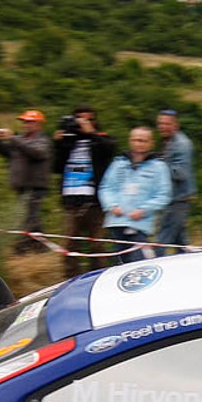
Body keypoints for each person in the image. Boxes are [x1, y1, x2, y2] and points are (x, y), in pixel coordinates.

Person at [52, 105, 116, 279]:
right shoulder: (69, 141)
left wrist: (91, 133)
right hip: (71, 200)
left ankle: (100, 278)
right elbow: (55, 167)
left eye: (88, 119)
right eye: (79, 119)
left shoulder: (101, 139)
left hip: (94, 201)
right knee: (69, 245)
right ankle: (71, 280)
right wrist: (58, 144)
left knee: (97, 245)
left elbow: (109, 149)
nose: (83, 123)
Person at [98, 126, 171, 265]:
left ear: (151, 143)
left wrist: (144, 210)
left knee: (140, 263)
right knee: (119, 264)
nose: (139, 143)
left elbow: (163, 195)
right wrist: (111, 205)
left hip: (140, 225)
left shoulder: (158, 167)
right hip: (116, 222)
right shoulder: (119, 163)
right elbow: (105, 187)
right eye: (136, 140)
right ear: (130, 141)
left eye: (143, 140)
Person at [0, 109, 52, 252]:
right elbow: (6, 153)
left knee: (30, 218)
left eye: (29, 122)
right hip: (21, 186)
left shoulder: (42, 141)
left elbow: (37, 153)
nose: (25, 125)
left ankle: (24, 248)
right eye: (24, 122)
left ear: (38, 124)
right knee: (29, 218)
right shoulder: (21, 139)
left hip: (35, 186)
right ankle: (39, 248)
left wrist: (13, 138)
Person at [154, 108, 196, 254]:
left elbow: (181, 173)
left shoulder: (181, 144)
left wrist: (157, 165)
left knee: (162, 240)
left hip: (178, 199)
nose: (162, 127)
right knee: (180, 242)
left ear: (175, 125)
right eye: (160, 124)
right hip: (173, 199)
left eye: (166, 124)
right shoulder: (169, 142)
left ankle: (156, 267)